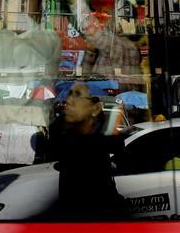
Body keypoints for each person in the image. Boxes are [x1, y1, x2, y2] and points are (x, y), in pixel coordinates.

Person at [48, 82, 128, 221]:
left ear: (95, 108)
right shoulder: (65, 136)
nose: (69, 101)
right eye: (69, 95)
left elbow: (118, 146)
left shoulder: (101, 139)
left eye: (77, 96)